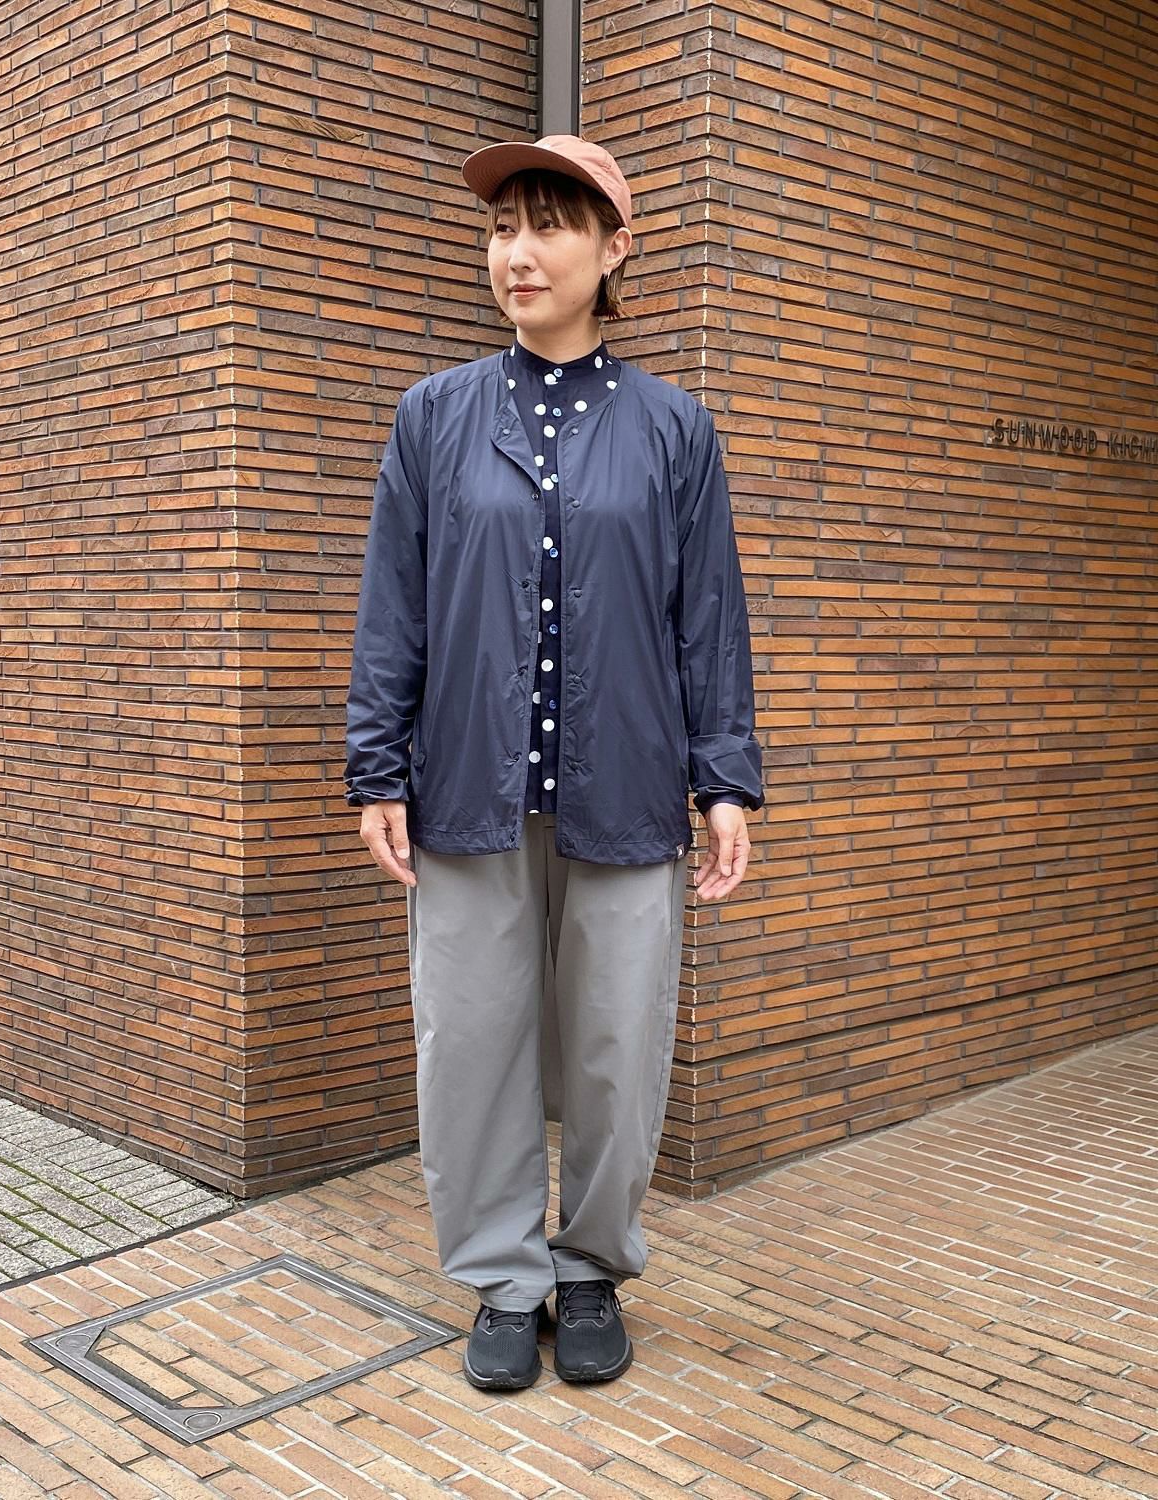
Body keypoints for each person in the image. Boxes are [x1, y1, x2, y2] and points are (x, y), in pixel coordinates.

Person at [344, 135, 765, 1392]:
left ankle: (589, 1270)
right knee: (470, 1044)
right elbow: (395, 606)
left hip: (627, 788)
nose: (516, 254)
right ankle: (501, 1276)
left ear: (614, 248)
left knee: (617, 1046)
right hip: (465, 788)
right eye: (501, 229)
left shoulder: (675, 429)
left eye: (547, 226)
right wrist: (378, 766)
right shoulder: (434, 417)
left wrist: (723, 776)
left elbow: (708, 615)